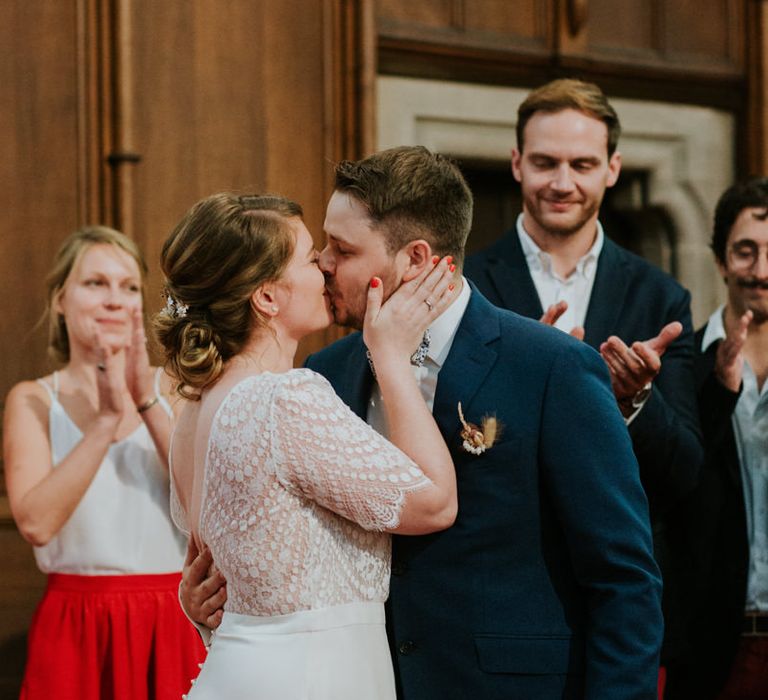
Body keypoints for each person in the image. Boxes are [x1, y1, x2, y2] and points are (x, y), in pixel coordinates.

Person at [183, 148, 663, 699]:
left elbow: (623, 577)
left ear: (415, 259)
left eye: (342, 248)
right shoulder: (325, 372)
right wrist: (223, 599)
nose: (322, 263)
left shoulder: (548, 367)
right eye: (323, 243)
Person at [153, 192, 458, 699]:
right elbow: (435, 503)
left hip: (242, 669)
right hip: (313, 678)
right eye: (309, 256)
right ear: (268, 297)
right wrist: (389, 356)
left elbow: (213, 577)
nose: (325, 267)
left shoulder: (193, 412)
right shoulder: (285, 398)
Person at [463, 78, 703, 691]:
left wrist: (633, 401)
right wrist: (524, 378)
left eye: (582, 164)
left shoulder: (660, 296)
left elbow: (688, 473)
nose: (562, 181)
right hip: (498, 604)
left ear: (613, 169)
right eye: (545, 162)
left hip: (622, 608)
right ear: (517, 163)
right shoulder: (466, 286)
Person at [2, 226, 205, 700]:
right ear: (59, 299)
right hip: (76, 626)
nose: (115, 299)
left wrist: (143, 401)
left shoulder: (176, 389)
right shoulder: (33, 400)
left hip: (172, 621)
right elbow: (36, 523)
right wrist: (107, 421)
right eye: (95, 283)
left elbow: (206, 501)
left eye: (129, 287)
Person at [665, 178, 768, 700]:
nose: (761, 270)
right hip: (712, 646)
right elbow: (674, 483)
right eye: (745, 251)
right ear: (722, 260)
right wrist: (718, 395)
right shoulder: (684, 363)